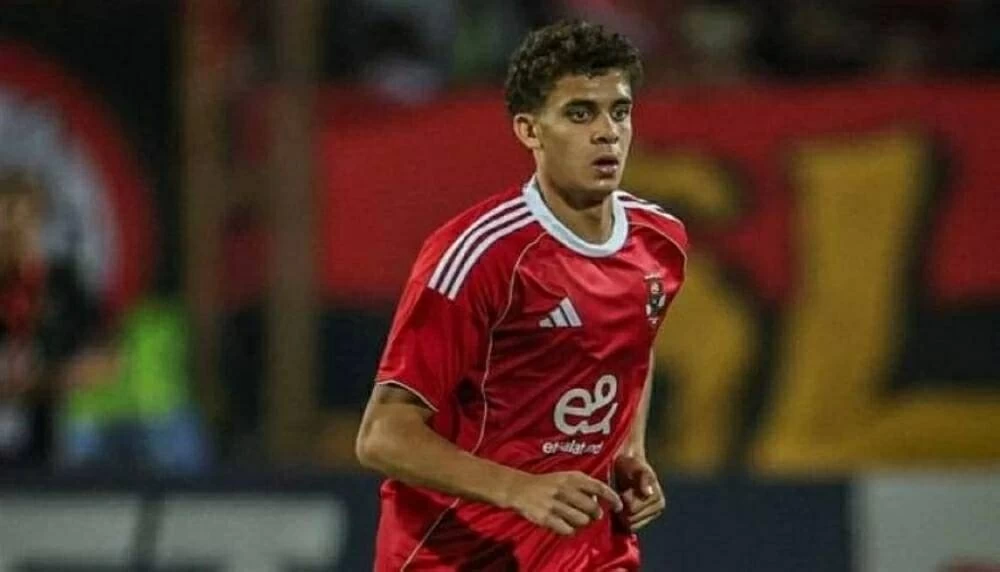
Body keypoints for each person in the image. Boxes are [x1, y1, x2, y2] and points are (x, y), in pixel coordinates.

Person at [356, 19, 688, 571]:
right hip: (460, 555)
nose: (607, 132)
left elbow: (632, 345)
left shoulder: (661, 240)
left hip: (588, 551)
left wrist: (630, 452)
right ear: (530, 131)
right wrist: (518, 488)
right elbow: (383, 435)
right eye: (580, 114)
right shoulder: (480, 255)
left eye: (619, 111)